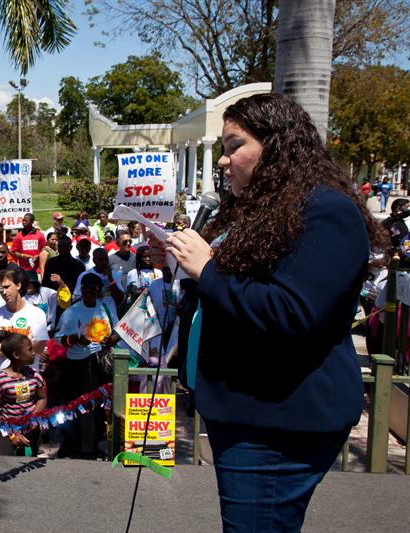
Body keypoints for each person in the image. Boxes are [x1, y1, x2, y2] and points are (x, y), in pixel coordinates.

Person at [164, 93, 387, 531]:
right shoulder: (261, 211)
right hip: (245, 411)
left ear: (277, 145)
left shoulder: (327, 212)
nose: (224, 161)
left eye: (234, 146)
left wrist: (206, 270)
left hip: (279, 422)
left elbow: (292, 312)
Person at [55, 273, 120, 458]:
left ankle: (91, 446)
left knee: (97, 407)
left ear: (99, 291)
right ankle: (72, 445)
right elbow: (59, 339)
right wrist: (76, 340)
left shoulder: (105, 308)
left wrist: (111, 339)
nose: (89, 292)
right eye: (85, 288)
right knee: (75, 406)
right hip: (76, 366)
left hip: (98, 364)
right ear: (81, 290)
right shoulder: (71, 312)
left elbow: (118, 331)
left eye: (93, 289)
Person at [0, 331, 47, 456]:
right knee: (3, 463)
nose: (33, 353)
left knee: (29, 465)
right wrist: (12, 433)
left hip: (30, 428)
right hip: (7, 429)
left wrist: (33, 417)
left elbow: (42, 398)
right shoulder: (0, 380)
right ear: (16, 355)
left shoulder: (35, 376)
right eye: (30, 349)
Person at [0, 269, 48, 371]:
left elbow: (39, 348)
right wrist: (27, 343)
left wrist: (6, 346)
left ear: (18, 286)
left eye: (7, 287)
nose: (4, 292)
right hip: (5, 380)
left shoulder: (37, 313)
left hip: (30, 377)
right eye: (1, 289)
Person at [72, 248, 125, 314]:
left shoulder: (114, 275)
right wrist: (92, 295)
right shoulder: (84, 276)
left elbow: (120, 298)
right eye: (101, 260)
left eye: (106, 259)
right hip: (91, 315)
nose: (104, 262)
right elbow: (75, 300)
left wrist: (110, 279)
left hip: (110, 315)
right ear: (94, 261)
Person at [11, 213, 46, 277]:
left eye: (26, 221)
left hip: (37, 271)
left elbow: (44, 250)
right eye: (23, 220)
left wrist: (38, 256)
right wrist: (23, 255)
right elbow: (14, 252)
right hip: (24, 271)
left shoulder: (40, 235)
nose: (24, 222)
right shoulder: (18, 236)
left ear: (32, 221)